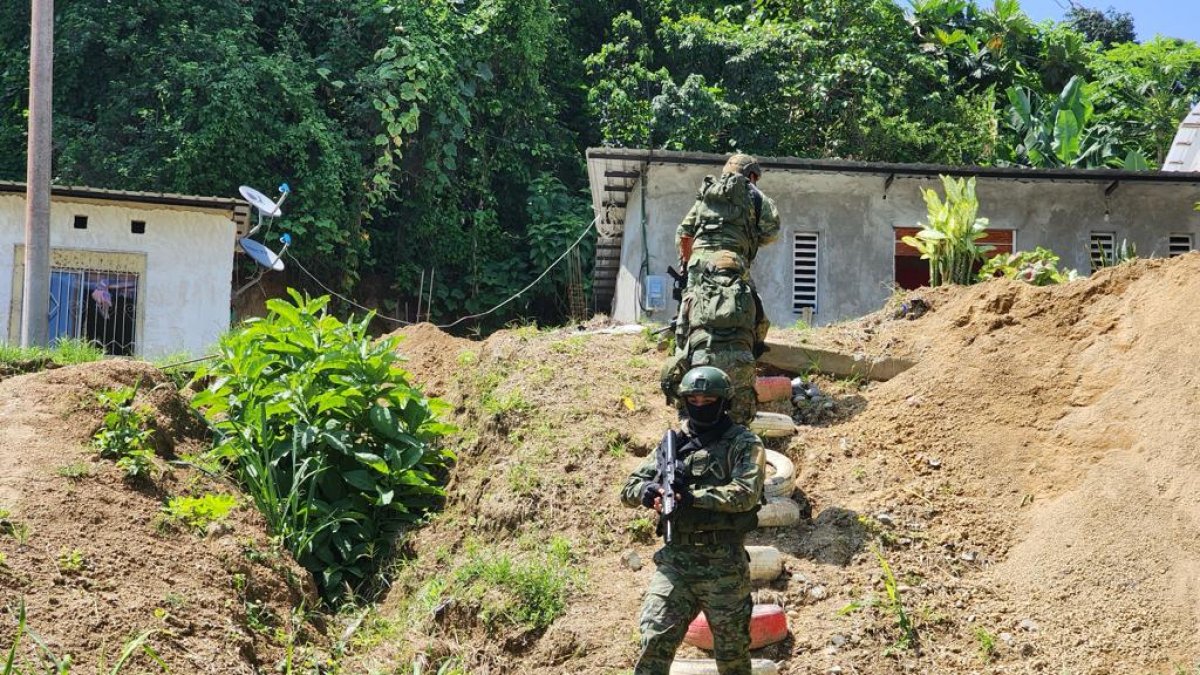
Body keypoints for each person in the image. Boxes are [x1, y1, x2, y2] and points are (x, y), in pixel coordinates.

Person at [622, 366, 766, 675]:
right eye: (694, 399)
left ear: (724, 401)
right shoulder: (672, 444)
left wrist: (691, 497)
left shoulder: (744, 443)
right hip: (677, 561)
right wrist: (649, 491)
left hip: (723, 565)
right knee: (653, 637)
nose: (700, 404)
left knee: (732, 655)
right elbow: (628, 488)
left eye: (708, 399)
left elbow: (746, 493)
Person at [666, 154, 780, 424]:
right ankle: (745, 362)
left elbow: (684, 232)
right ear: (752, 175)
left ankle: (685, 375)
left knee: (690, 322)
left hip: (698, 266)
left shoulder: (707, 193)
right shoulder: (755, 195)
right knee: (748, 312)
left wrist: (687, 265)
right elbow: (771, 230)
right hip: (732, 263)